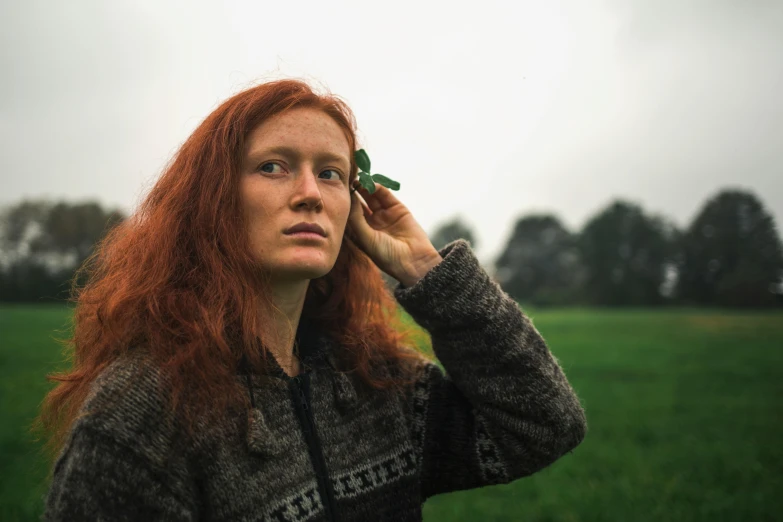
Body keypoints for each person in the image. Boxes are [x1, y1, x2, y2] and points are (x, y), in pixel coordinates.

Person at [38, 79, 588, 521]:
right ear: (212, 200)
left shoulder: (373, 380)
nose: (309, 193)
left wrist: (425, 271)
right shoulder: (145, 409)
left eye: (331, 174)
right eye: (273, 166)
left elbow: (544, 425)